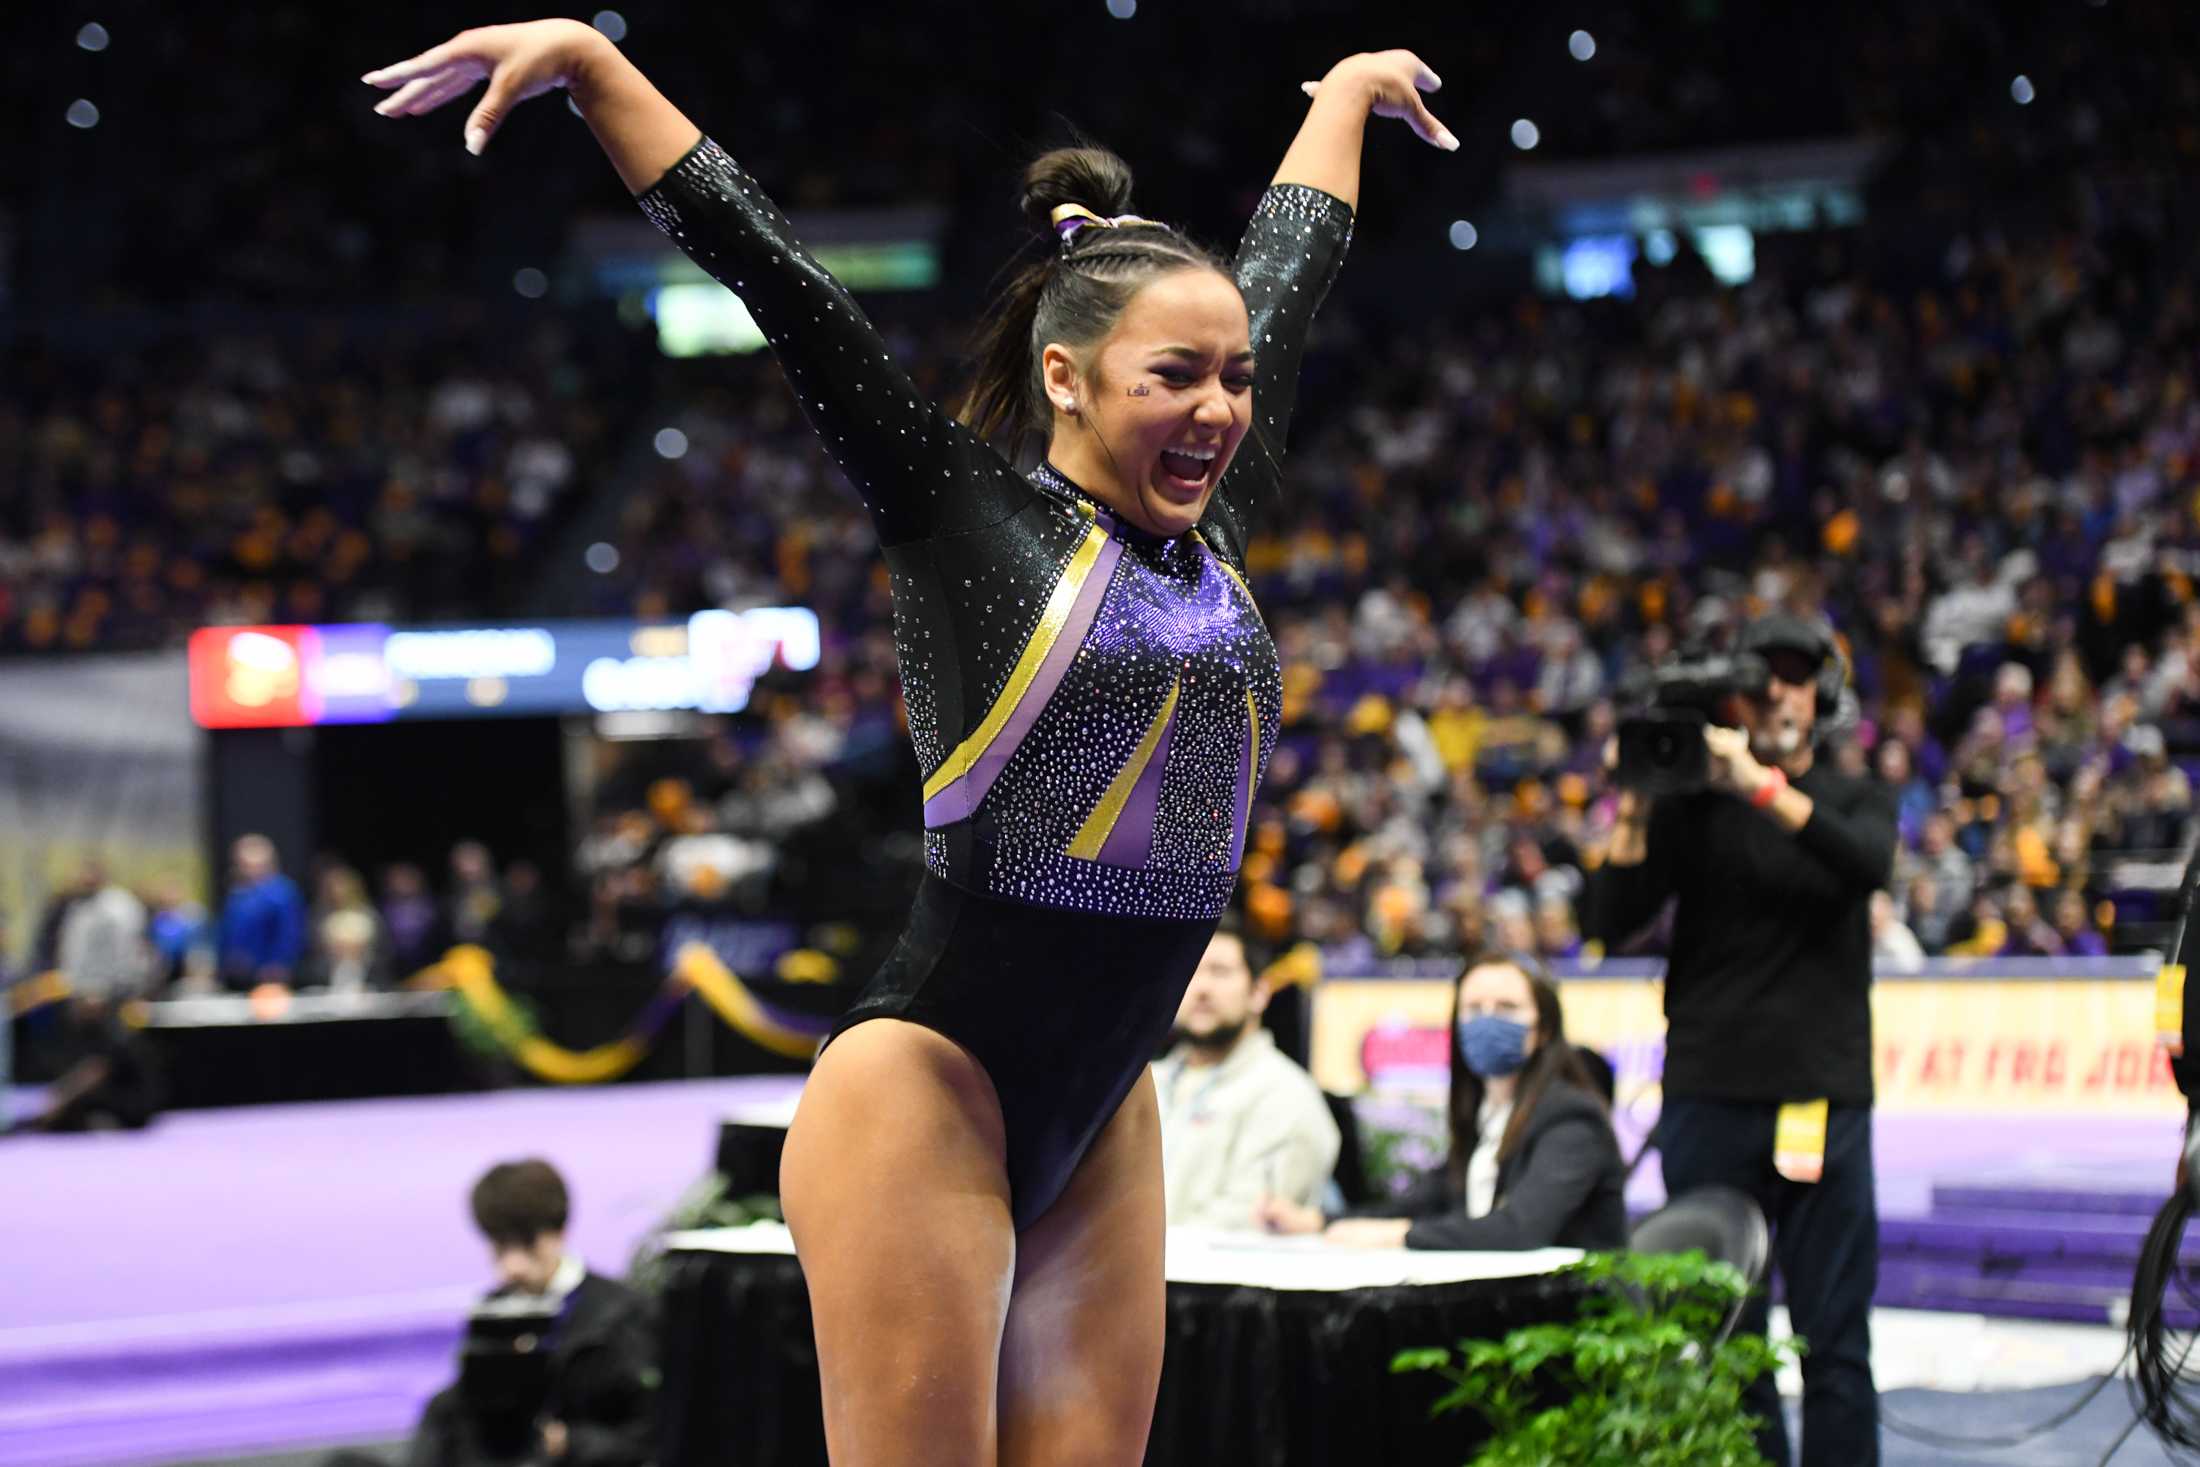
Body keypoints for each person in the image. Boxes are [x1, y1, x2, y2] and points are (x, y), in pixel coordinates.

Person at [363, 21, 1449, 1463]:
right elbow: (781, 282)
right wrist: (591, 66)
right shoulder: (959, 511)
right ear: (1065, 377)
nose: (1221, 410)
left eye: (1236, 379)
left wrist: (1353, 97)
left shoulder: (1216, 525)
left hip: (1103, 1104)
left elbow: (1292, 262)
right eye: (1175, 376)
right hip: (929, 1084)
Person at [1584, 612, 1897, 1467]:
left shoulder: (1853, 794)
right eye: (1763, 678)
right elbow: (1607, 919)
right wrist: (1636, 802)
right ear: (1734, 696)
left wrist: (1750, 780)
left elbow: (1866, 862)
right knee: (1720, 1331)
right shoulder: (1688, 808)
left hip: (1819, 1099)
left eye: (1796, 677)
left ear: (1823, 695)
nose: (1779, 693)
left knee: (1832, 1338)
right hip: (1705, 1095)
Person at [1255, 949, 1625, 1250]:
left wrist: (1398, 1237)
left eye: (1507, 1008)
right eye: (1474, 1009)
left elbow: (1521, 1229)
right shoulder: (1483, 1115)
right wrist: (1318, 1221)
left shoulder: (1572, 1117)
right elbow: (1419, 1206)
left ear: (1543, 1029)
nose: (1487, 1021)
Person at [352, 1160, 656, 1467]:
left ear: (559, 1232)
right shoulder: (494, 1312)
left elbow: (648, 1434)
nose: (513, 1266)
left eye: (528, 1245)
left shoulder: (622, 1314)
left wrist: (568, 1442)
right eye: (500, 1247)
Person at [1151, 916, 1339, 1229]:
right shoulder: (1143, 1083)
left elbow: (1246, 1221)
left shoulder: (1286, 1094)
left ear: (1259, 992)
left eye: (1220, 972)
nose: (1201, 988)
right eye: (1189, 970)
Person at [218, 834, 306, 991]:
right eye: (241, 862)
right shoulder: (236, 893)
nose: (244, 867)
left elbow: (290, 933)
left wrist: (278, 964)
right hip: (237, 973)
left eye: (249, 863)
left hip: (268, 975)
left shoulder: (282, 893)